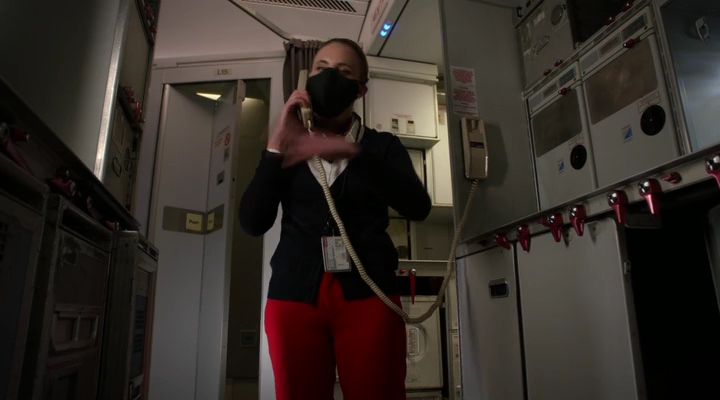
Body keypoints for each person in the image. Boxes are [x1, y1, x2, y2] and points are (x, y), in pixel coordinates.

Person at [239, 38, 432, 400]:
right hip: (294, 295)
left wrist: (351, 151)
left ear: (360, 90)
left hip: (369, 294)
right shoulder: (287, 148)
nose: (330, 77)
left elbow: (418, 207)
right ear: (305, 79)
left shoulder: (383, 146)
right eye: (321, 68)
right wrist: (276, 146)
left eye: (344, 72)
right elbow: (252, 222)